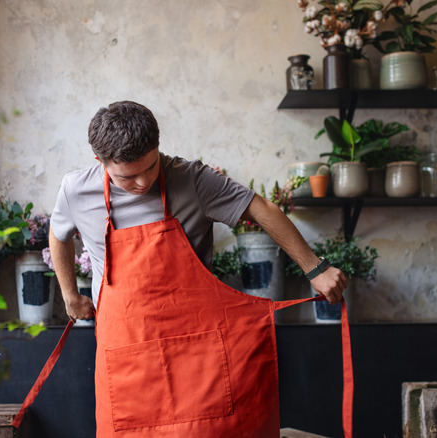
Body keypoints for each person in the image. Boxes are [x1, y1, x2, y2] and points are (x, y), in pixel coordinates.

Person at [47, 100, 348, 437]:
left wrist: (315, 268)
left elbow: (260, 208)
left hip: (198, 357)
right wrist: (70, 295)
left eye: (151, 167)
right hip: (127, 357)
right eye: (129, 176)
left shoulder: (192, 179)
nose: (144, 182)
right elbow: (59, 236)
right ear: (99, 161)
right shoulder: (76, 190)